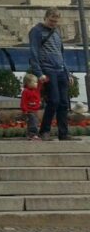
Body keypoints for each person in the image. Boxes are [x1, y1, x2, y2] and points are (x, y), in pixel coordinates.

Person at [29, 7, 71, 140]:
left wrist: (67, 72)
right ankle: (44, 131)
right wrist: (39, 72)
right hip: (48, 69)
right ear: (45, 18)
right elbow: (34, 52)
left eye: (56, 21)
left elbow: (61, 53)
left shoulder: (57, 31)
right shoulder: (36, 31)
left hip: (60, 70)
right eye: (51, 20)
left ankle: (63, 133)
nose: (53, 23)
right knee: (54, 101)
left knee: (64, 103)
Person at [20, 73, 42, 141]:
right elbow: (23, 102)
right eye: (34, 82)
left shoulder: (36, 90)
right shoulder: (26, 91)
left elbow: (40, 85)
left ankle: (32, 134)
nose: (36, 84)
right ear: (28, 83)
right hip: (29, 110)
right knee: (32, 122)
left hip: (35, 110)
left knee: (35, 122)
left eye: (37, 82)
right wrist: (25, 110)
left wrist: (43, 80)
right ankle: (32, 135)